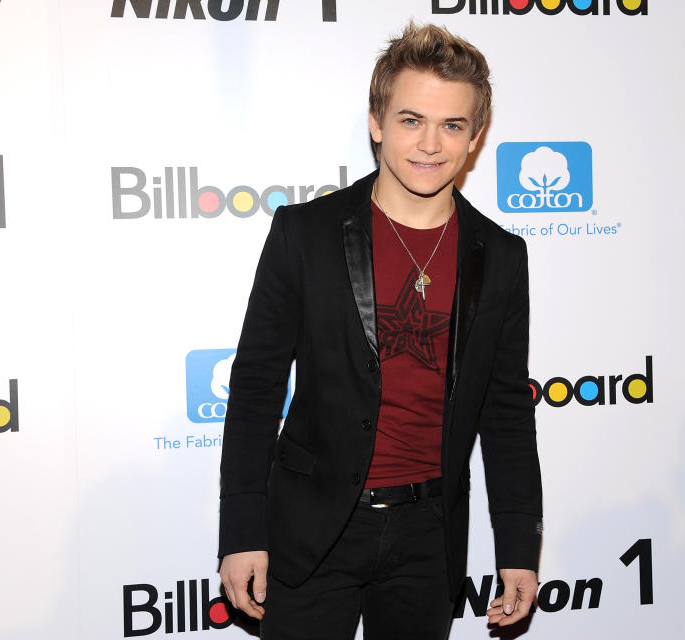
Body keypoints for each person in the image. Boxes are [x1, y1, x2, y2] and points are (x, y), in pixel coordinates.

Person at [217, 22, 542, 640]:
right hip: (311, 532)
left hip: (429, 540)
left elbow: (506, 411)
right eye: (411, 119)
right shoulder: (304, 234)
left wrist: (519, 543)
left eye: (452, 125)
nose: (430, 144)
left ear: (475, 137)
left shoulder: (500, 255)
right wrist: (242, 532)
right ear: (377, 121)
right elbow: (257, 386)